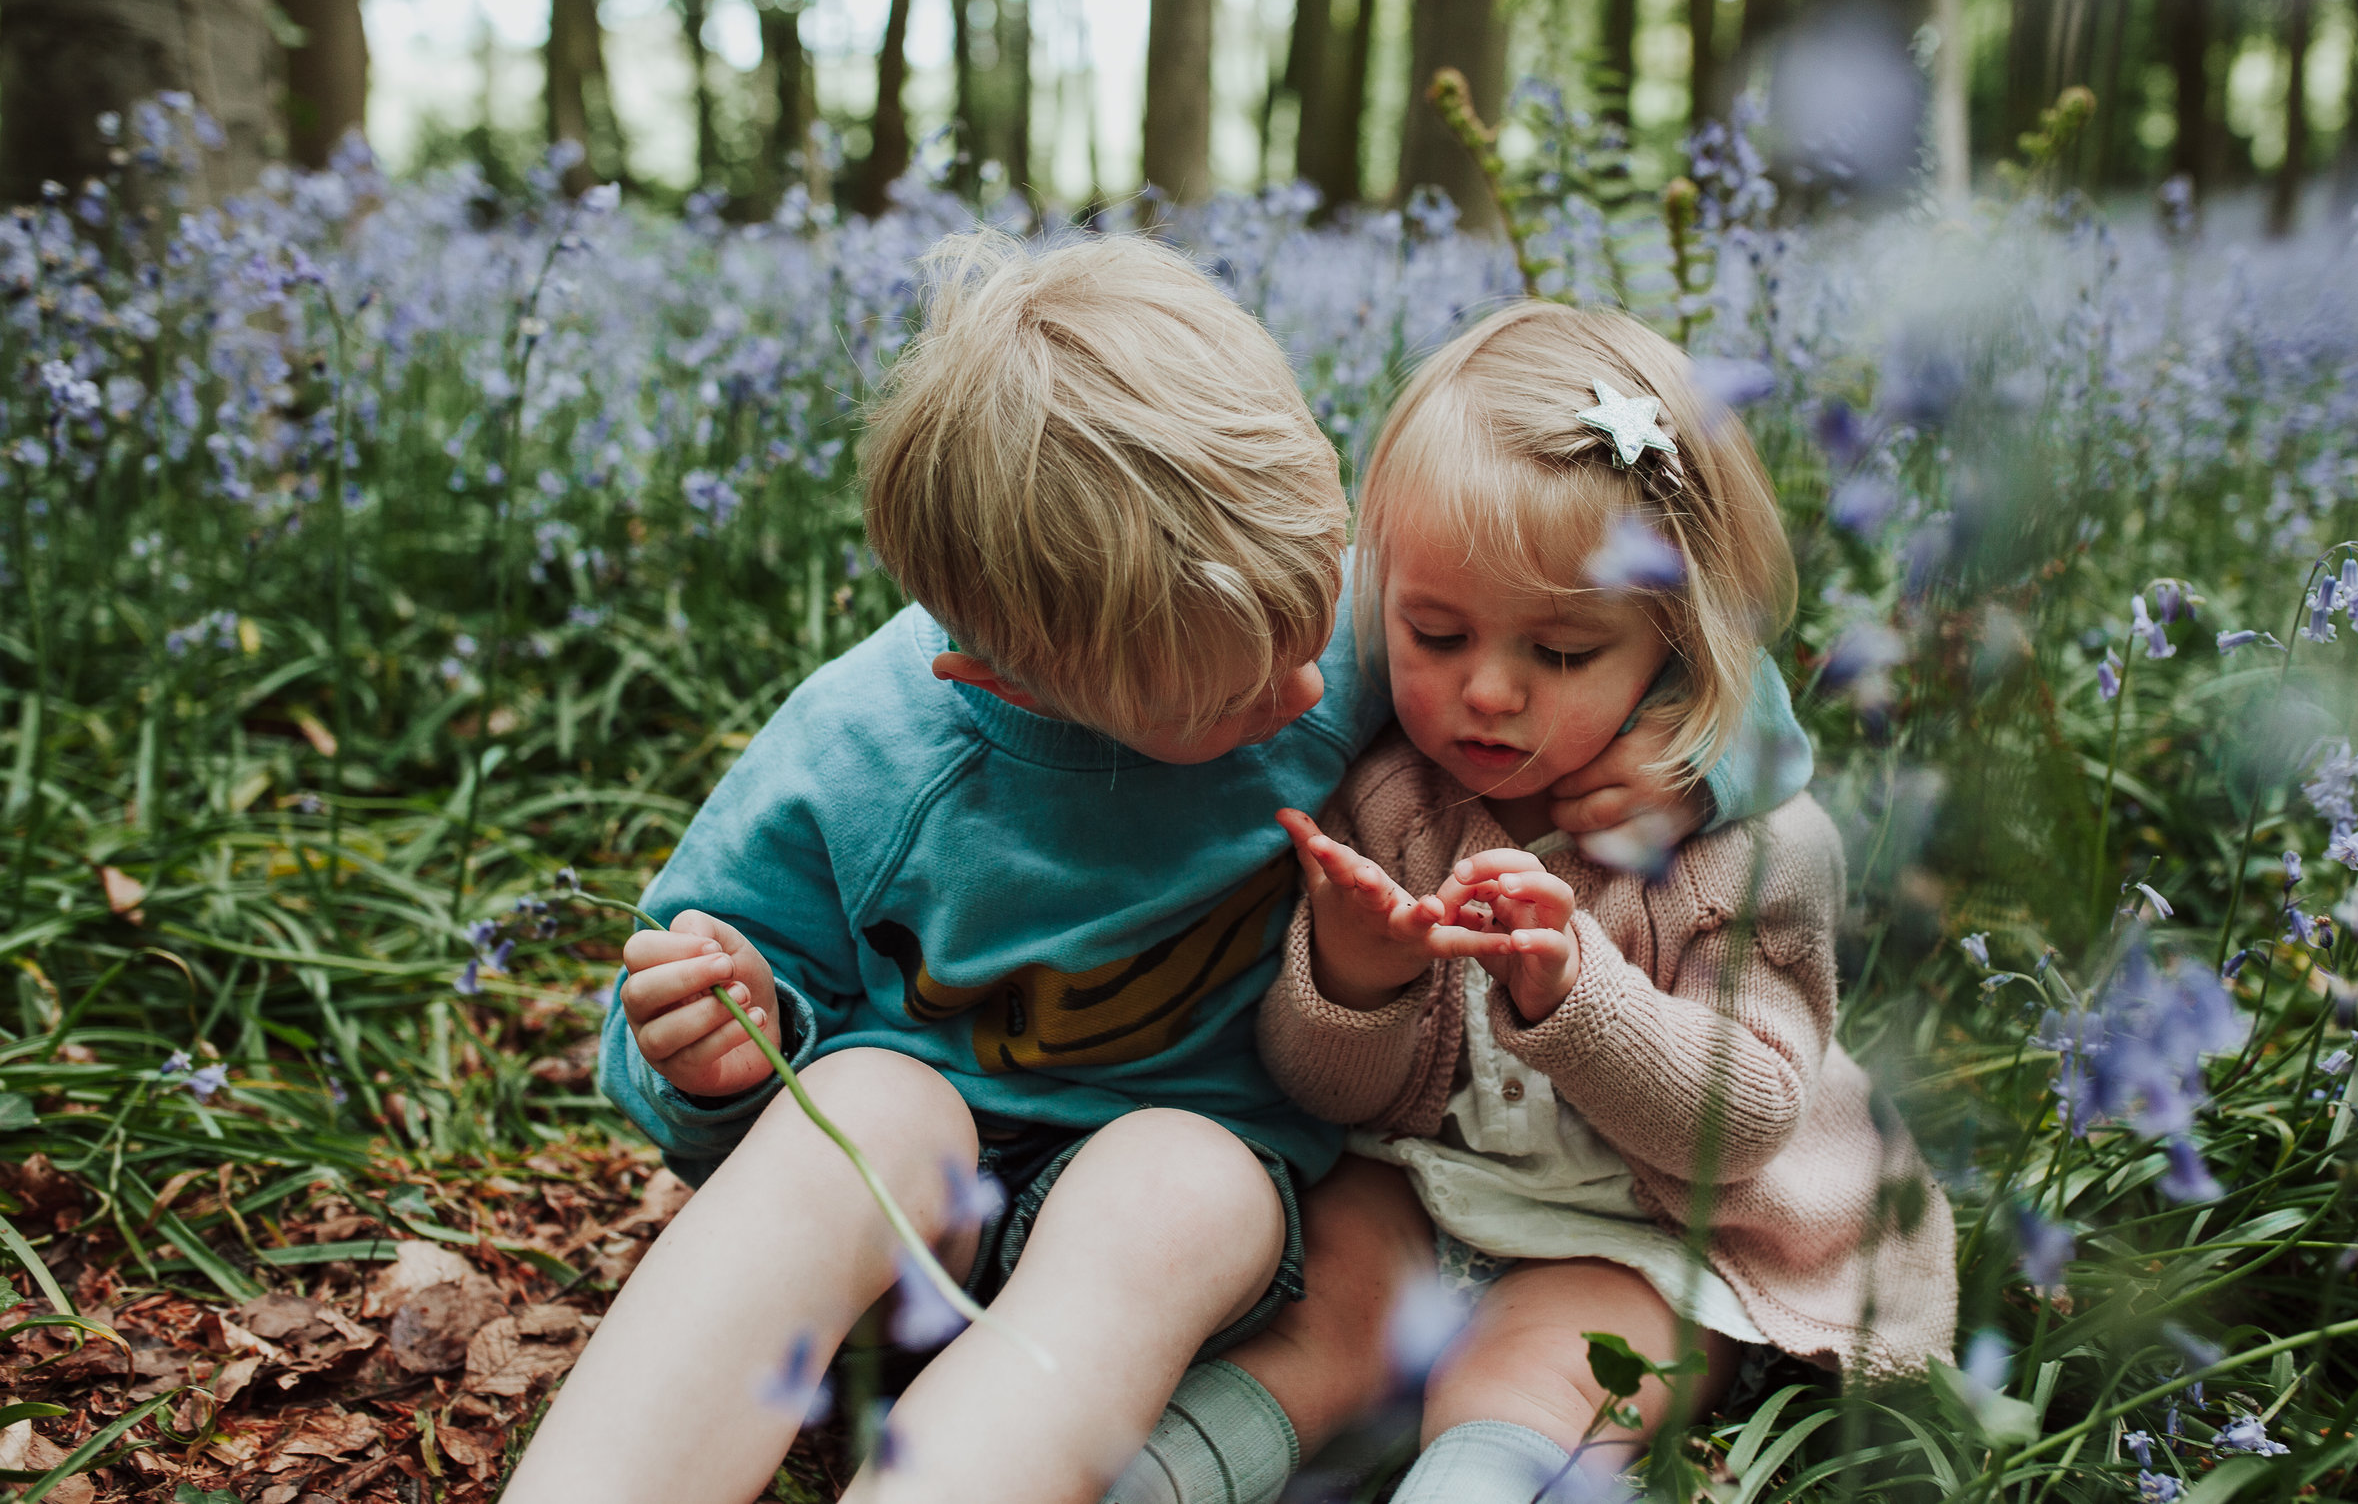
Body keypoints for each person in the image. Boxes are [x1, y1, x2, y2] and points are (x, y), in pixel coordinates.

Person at [502, 236, 1814, 1504]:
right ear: (1009, 678)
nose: (1310, 687)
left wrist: (1693, 760)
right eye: (1245, 693)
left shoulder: (1326, 624)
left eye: (1320, 622)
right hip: (927, 1222)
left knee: (1176, 1180)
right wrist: (725, 1039)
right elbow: (685, 1030)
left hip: (1182, 1235)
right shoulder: (863, 757)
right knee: (873, 1098)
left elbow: (1674, 649)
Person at [1256, 303, 1956, 1504]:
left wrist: (1576, 995)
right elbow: (1326, 1090)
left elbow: (1742, 1125)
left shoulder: (1751, 848)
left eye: (1565, 652)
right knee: (1310, 1328)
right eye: (1434, 630)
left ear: (1672, 643)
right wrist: (1355, 975)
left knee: (1531, 1382)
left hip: (1656, 1236)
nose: (1485, 690)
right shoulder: (1393, 799)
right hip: (1428, 1186)